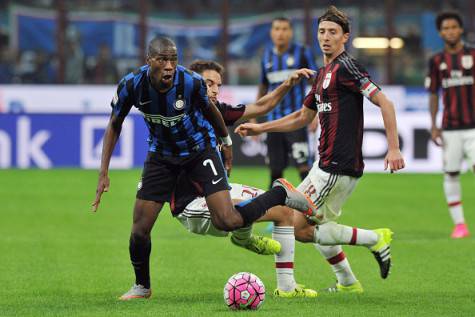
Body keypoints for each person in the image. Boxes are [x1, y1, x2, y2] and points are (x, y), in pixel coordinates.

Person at [91, 37, 316, 301]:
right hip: (160, 157)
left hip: (199, 153)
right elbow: (114, 123)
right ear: (149, 60)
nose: (169, 66)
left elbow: (212, 112)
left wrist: (226, 142)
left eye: (173, 59)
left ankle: (279, 194)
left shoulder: (189, 82)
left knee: (227, 220)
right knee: (139, 229)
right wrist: (103, 172)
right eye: (162, 59)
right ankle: (142, 287)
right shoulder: (131, 85)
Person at [236, 6, 406, 293]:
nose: (326, 37)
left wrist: (394, 148)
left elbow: (385, 103)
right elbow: (302, 117)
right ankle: (348, 282)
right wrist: (260, 127)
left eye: (333, 32)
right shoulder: (322, 74)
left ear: (345, 37)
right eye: (322, 32)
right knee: (310, 225)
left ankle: (373, 239)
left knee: (297, 226)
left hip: (337, 167)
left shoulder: (347, 67)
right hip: (323, 165)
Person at [426, 11, 475, 239]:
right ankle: (460, 225)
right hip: (450, 128)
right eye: (446, 28)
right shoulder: (436, 61)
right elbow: (433, 94)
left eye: (454, 27)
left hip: (474, 127)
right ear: (440, 32)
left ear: (461, 29)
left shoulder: (473, 54)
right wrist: (434, 125)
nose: (450, 31)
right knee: (451, 174)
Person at [257, 16, 317, 187]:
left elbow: (317, 84)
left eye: (284, 29)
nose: (280, 33)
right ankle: (273, 210)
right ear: (271, 32)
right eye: (277, 29)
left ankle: (312, 207)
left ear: (291, 32)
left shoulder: (303, 52)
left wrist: (315, 114)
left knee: (303, 166)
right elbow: (263, 86)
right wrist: (254, 116)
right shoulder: (266, 55)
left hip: (297, 119)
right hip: (274, 121)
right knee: (275, 170)